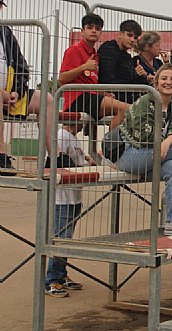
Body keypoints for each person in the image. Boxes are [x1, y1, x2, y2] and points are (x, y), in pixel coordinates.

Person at [116, 64, 172, 235]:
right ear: (156, 83)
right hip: (130, 155)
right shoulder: (146, 102)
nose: (169, 82)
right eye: (164, 79)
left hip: (153, 156)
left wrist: (166, 143)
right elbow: (142, 137)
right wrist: (167, 142)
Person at [0, 0, 55, 172]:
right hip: (1, 94)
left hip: (8, 95)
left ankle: (55, 158)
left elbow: (21, 65)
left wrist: (17, 91)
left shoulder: (5, 32)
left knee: (46, 99)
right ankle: (1, 154)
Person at [44, 122, 96, 298]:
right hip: (62, 197)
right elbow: (56, 161)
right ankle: (51, 280)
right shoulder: (61, 135)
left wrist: (87, 159)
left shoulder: (73, 138)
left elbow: (75, 159)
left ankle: (61, 275)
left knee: (67, 239)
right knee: (61, 239)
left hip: (74, 196)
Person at [59, 13, 128, 129]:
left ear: (101, 32)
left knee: (70, 132)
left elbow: (89, 82)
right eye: (90, 28)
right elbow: (62, 79)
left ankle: (112, 143)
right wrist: (83, 67)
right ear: (82, 31)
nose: (94, 31)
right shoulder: (74, 50)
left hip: (90, 98)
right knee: (126, 108)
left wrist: (102, 94)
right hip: (78, 98)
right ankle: (109, 144)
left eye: (97, 28)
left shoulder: (95, 55)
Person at [97, 19, 146, 103]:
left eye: (135, 37)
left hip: (125, 96)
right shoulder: (108, 50)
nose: (132, 40)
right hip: (112, 97)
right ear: (120, 34)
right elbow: (107, 79)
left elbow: (132, 81)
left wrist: (141, 75)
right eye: (129, 35)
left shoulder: (127, 56)